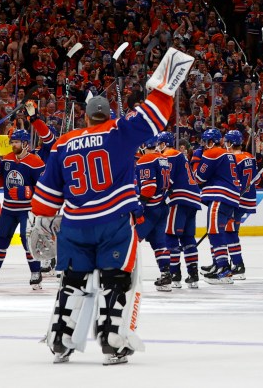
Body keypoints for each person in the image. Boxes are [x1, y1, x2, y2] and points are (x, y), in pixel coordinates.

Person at [29, 47, 193, 365]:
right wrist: (164, 86)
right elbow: (155, 115)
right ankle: (112, 341)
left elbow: (46, 196)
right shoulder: (119, 131)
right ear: (108, 114)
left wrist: (43, 221)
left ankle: (60, 340)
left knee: (73, 281)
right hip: (115, 221)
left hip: (75, 224)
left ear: (87, 116)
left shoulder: (64, 143)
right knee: (117, 280)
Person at [0, 128, 45, 290]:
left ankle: (36, 273)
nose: (13, 145)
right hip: (8, 209)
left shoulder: (36, 162)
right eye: (12, 142)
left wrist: (25, 191)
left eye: (16, 142)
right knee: (1, 239)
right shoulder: (7, 159)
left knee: (28, 241)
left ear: (25, 144)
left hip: (27, 210)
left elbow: (43, 188)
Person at [193, 127, 241, 284]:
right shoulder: (229, 155)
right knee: (216, 231)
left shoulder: (212, 153)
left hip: (220, 196)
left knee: (214, 232)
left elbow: (198, 177)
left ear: (211, 141)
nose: (204, 145)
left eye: (206, 142)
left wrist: (196, 159)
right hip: (230, 198)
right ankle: (221, 267)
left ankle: (224, 269)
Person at [158, 130, 202, 288]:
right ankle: (193, 274)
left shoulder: (168, 154)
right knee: (188, 238)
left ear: (164, 144)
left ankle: (175, 274)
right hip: (193, 198)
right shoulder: (180, 155)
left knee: (170, 236)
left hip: (180, 198)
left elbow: (167, 178)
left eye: (159, 144)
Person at [135, 136, 172, 291]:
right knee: (159, 242)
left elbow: (149, 187)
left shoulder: (146, 159)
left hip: (150, 207)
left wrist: (140, 205)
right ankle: (166, 274)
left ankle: (125, 275)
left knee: (131, 239)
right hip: (162, 205)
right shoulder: (163, 158)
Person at [226, 128, 257, 280]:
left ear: (231, 143)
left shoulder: (232, 158)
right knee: (232, 231)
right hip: (247, 198)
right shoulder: (249, 156)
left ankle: (238, 265)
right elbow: (255, 179)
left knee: (229, 232)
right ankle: (235, 263)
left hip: (236, 199)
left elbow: (232, 180)